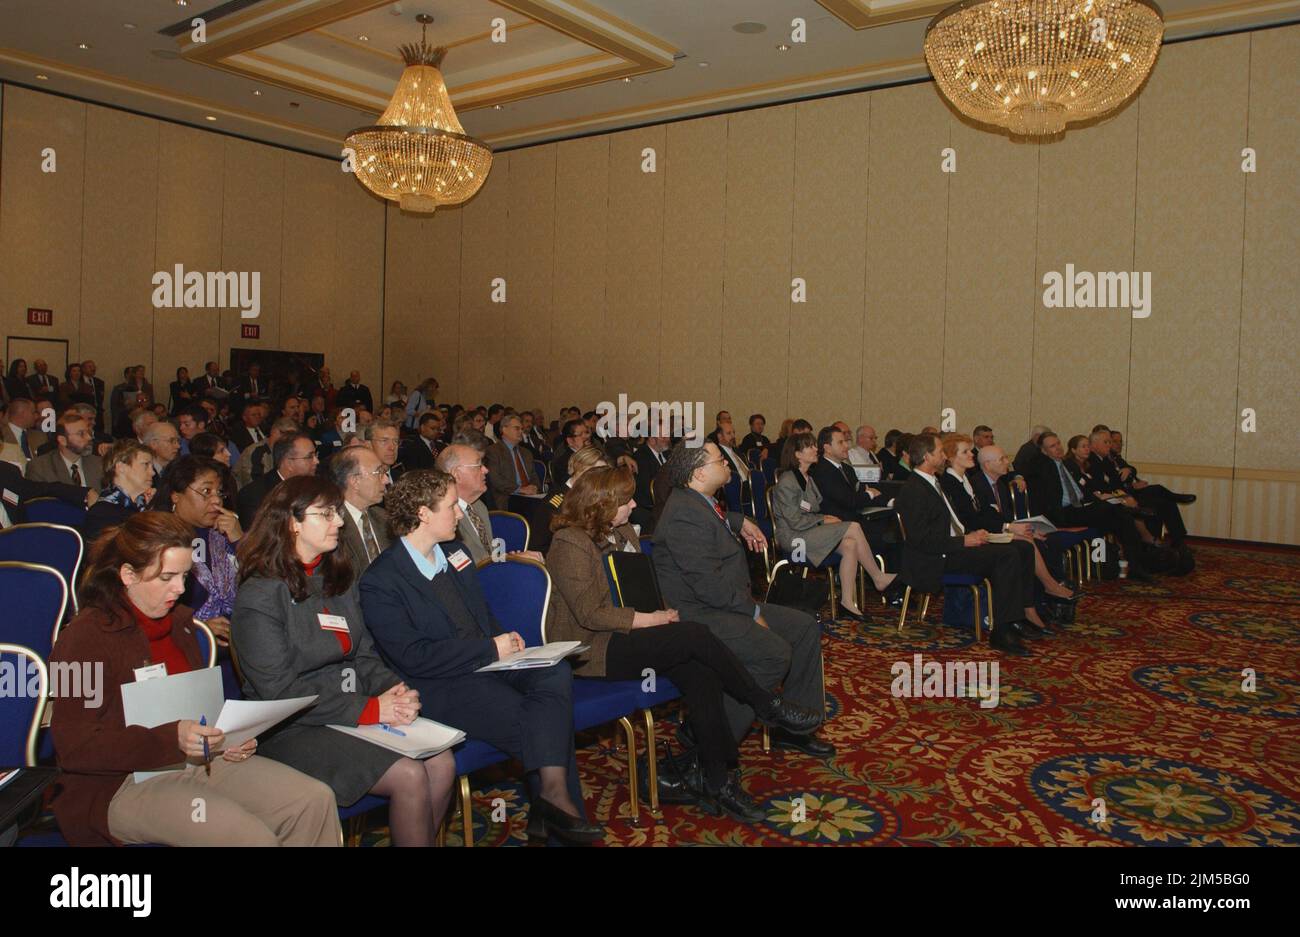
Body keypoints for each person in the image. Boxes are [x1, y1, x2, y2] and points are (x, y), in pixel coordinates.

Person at [49, 511, 341, 846]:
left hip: (197, 762)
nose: (180, 589)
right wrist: (172, 737)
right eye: (166, 577)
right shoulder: (81, 638)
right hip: (120, 784)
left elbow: (195, 708)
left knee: (313, 800)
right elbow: (74, 747)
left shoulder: (182, 625)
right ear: (127, 574)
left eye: (185, 575)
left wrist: (225, 738)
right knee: (247, 837)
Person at [547, 466, 819, 820]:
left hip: (631, 635)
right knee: (693, 634)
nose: (633, 506)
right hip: (594, 647)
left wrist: (654, 616)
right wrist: (653, 619)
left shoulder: (620, 531)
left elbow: (643, 582)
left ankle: (718, 778)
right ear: (600, 504)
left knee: (699, 669)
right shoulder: (569, 542)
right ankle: (763, 703)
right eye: (625, 500)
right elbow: (590, 614)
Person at [358, 469, 601, 843]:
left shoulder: (455, 552)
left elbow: (479, 613)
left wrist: (503, 639)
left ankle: (552, 801)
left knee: (554, 674)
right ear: (423, 513)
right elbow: (414, 657)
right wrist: (490, 647)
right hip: (440, 683)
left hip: (488, 661)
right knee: (544, 723)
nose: (459, 513)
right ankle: (557, 810)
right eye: (451, 506)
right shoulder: (382, 580)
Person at [232, 476, 455, 846]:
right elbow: (280, 691)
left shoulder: (336, 577)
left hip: (348, 710)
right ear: (293, 522)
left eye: (338, 512)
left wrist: (392, 690)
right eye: (327, 514)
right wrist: (370, 709)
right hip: (290, 727)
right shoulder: (260, 594)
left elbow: (363, 654)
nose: (338, 521)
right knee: (410, 775)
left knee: (442, 761)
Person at [653, 441, 834, 757]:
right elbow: (708, 585)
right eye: (720, 461)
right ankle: (710, 741)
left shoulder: (701, 501)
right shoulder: (684, 514)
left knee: (803, 627)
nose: (726, 464)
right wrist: (751, 613)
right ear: (698, 473)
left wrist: (738, 521)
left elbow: (716, 522)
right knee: (772, 652)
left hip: (722, 603)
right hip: (697, 615)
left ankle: (792, 732)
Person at [895, 433, 1035, 656]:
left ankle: (1019, 616)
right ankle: (1002, 630)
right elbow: (921, 540)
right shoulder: (914, 490)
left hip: (950, 548)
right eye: (941, 452)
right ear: (927, 456)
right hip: (935, 558)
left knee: (1022, 548)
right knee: (1007, 555)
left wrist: (972, 534)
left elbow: (952, 522)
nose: (944, 456)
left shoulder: (933, 483)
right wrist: (964, 540)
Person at [939, 434, 1075, 622]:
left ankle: (1033, 604)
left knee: (1026, 543)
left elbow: (985, 513)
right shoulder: (950, 483)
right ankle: (1031, 603)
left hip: (982, 531)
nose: (972, 454)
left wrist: (1010, 527)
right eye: (966, 451)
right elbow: (969, 518)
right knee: (1021, 546)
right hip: (969, 538)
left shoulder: (966, 480)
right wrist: (1008, 528)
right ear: (951, 458)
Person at [772, 433, 895, 620]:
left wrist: (822, 518)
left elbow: (810, 510)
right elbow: (794, 521)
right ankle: (878, 577)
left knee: (850, 545)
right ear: (797, 454)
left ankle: (847, 602)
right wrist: (822, 520)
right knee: (853, 527)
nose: (816, 449)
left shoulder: (807, 477)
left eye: (815, 445)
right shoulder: (788, 481)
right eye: (810, 447)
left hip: (808, 531)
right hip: (793, 537)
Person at [153, 456, 243, 651]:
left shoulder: (223, 533)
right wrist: (196, 628)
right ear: (176, 495)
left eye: (219, 492)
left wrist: (239, 541)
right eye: (206, 491)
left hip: (236, 648)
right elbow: (147, 610)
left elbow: (260, 582)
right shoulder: (157, 541)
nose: (217, 500)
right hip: (184, 647)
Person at [331, 444, 392, 574]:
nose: (386, 480)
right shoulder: (332, 527)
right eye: (379, 473)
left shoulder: (384, 518)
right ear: (355, 481)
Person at [236, 431, 318, 527]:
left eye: (316, 455)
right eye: (310, 457)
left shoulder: (315, 485)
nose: (316, 461)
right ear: (288, 463)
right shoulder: (255, 497)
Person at [82, 441, 154, 542]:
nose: (152, 472)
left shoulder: (145, 506)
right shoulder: (102, 514)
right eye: (146, 465)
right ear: (121, 468)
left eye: (152, 466)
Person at [26, 410, 103, 489]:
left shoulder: (99, 464)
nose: (89, 437)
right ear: (63, 440)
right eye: (81, 433)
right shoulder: (40, 468)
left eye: (88, 432)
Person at [484, 412, 539, 510]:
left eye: (521, 429)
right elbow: (495, 479)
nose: (521, 431)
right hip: (507, 497)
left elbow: (534, 476)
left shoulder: (526, 453)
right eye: (517, 428)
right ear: (504, 429)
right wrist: (519, 489)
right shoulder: (493, 451)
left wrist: (534, 487)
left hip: (529, 496)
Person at [550, 418, 591, 487]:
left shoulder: (595, 454)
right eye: (581, 434)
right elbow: (569, 487)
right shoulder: (562, 462)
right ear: (570, 441)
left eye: (586, 432)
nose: (587, 436)